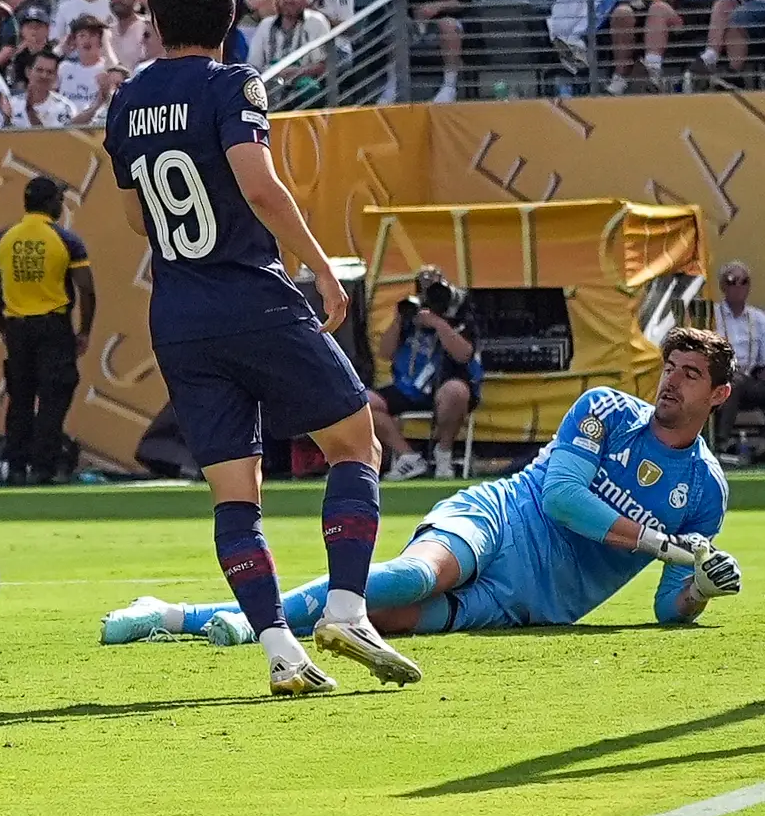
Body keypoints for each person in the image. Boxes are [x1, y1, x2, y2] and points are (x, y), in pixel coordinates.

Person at [100, 0, 416, 697]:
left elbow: (137, 222)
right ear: (231, 13)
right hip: (250, 295)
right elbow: (260, 185)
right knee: (353, 442)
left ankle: (280, 651)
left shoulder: (127, 99)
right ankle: (344, 608)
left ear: (152, 14)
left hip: (176, 312)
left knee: (234, 493)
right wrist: (314, 264)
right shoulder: (231, 83)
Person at [107, 329, 738, 644]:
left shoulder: (706, 491)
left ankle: (215, 622)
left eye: (691, 375)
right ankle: (181, 616)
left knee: (398, 618)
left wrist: (698, 591)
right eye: (670, 368)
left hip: (531, 603)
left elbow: (666, 608)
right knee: (414, 577)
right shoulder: (606, 410)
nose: (672, 383)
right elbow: (561, 497)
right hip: (501, 518)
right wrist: (659, 543)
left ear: (718, 395)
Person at [0, 178, 95, 486]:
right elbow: (86, 289)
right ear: (50, 204)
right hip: (53, 327)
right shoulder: (66, 241)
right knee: (53, 397)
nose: (61, 204)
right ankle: (43, 468)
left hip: (17, 329)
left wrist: (3, 326)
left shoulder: (4, 239)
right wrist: (84, 331)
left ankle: (16, 465)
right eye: (59, 199)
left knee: (19, 398)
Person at [370, 267, 483, 481]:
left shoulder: (460, 316)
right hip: (409, 387)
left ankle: (444, 453)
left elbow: (464, 355)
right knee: (362, 404)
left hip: (447, 384)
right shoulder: (410, 316)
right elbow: (385, 353)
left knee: (456, 391)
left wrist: (438, 324)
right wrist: (399, 319)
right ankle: (408, 457)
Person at [711, 262, 765, 449]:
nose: (738, 286)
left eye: (744, 281)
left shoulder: (758, 318)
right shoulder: (713, 315)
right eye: (732, 281)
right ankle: (721, 443)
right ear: (723, 286)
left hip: (749, 379)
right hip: (719, 378)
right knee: (732, 385)